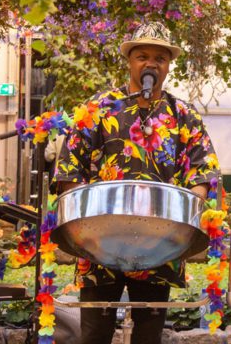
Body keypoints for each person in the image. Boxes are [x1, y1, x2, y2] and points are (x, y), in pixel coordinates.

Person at [55, 23, 220, 344]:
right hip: (100, 244)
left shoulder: (183, 115)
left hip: (159, 246)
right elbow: (69, 170)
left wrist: (182, 224)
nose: (151, 63)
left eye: (160, 57)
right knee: (93, 336)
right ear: (129, 62)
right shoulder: (99, 109)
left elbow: (204, 173)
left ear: (168, 66)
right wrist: (83, 228)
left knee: (149, 336)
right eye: (142, 56)